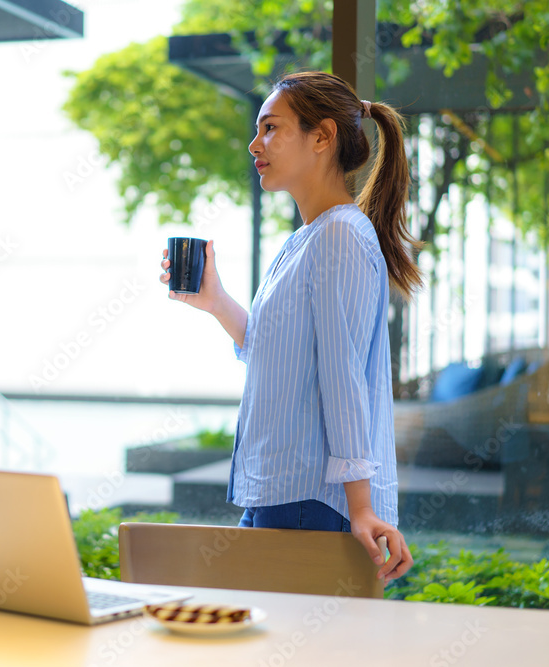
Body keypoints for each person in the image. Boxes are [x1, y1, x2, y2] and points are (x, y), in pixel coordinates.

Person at [159, 70, 422, 583]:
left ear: (322, 136)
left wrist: (362, 508)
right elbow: (275, 354)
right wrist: (216, 302)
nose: (254, 143)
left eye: (271, 128)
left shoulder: (340, 237)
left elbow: (342, 379)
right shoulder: (308, 238)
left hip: (312, 503)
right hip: (281, 494)